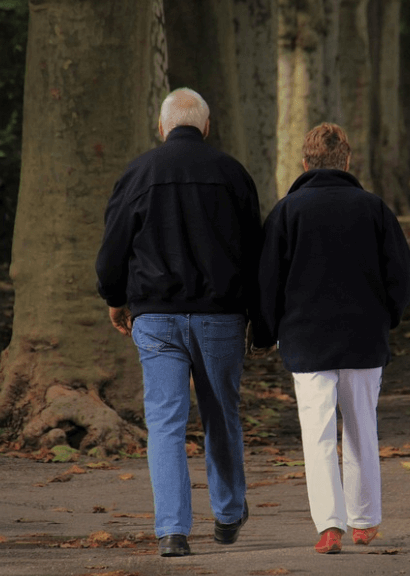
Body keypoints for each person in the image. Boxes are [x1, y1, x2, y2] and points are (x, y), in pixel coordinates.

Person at [95, 88, 262, 557]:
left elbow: (113, 247)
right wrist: (259, 315)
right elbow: (256, 252)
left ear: (162, 126)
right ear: (206, 126)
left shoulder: (139, 172)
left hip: (156, 316)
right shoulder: (233, 174)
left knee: (165, 423)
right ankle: (228, 514)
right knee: (221, 416)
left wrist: (115, 297)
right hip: (220, 317)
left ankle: (172, 530)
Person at [257, 123, 410, 554]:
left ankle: (329, 525)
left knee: (317, 433)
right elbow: (399, 273)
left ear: (304, 164)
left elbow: (268, 281)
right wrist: (389, 318)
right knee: (362, 427)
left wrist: (266, 332)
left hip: (306, 339)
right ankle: (364, 520)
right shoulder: (374, 209)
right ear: (347, 162)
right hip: (364, 337)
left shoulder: (287, 212)